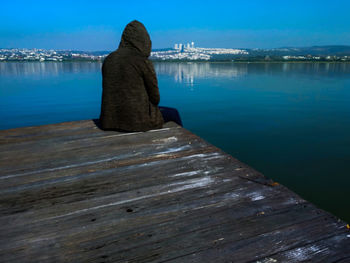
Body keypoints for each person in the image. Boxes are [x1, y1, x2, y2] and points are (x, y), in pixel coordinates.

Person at [99, 20, 182, 132]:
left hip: (109, 121)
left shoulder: (109, 59)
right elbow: (155, 98)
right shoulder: (141, 61)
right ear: (144, 41)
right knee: (173, 113)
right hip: (137, 123)